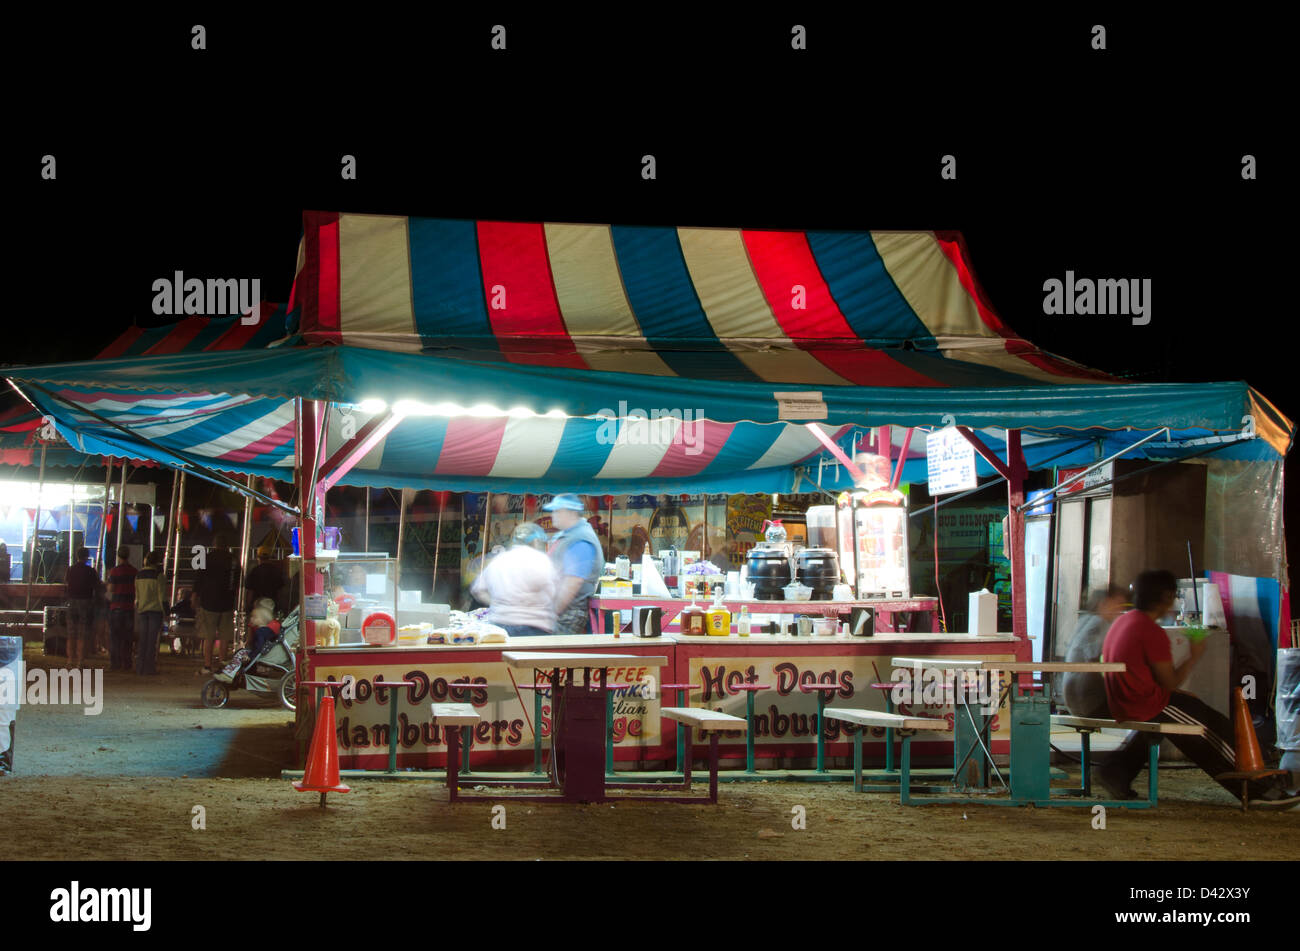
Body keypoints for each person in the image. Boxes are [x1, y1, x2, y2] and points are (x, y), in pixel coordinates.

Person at [1096, 569, 1299, 809]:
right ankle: (1256, 790)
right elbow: (1170, 682)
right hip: (1145, 703)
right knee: (1211, 730)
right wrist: (1194, 655)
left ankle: (1115, 772)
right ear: (1166, 596)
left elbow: (1146, 677)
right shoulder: (1150, 631)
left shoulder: (1124, 621)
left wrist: (1177, 695)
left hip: (1125, 700)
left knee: (1193, 713)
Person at [471, 522, 559, 637]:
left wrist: (499, 605)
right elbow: (554, 593)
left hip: (499, 627)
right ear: (536, 541)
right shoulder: (541, 560)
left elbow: (478, 590)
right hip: (534, 629)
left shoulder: (499, 560)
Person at [1060, 586, 1127, 717]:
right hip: (1089, 702)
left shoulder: (1085, 620)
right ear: (1104, 603)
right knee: (1144, 707)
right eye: (1118, 604)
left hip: (1073, 701)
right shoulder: (1100, 624)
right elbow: (1098, 656)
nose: (1121, 610)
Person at [543, 494, 605, 636]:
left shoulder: (580, 539)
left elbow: (572, 583)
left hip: (567, 614)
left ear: (571, 513)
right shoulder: (569, 535)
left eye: (557, 511)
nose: (553, 515)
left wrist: (551, 613)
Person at [195, 534, 236, 674]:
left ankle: (207, 665)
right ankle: (223, 664)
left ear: (214, 544)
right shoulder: (233, 560)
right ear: (226, 546)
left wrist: (195, 596)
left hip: (209, 602)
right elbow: (237, 581)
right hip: (227, 602)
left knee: (209, 636)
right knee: (224, 636)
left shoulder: (206, 558)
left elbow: (198, 579)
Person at [64, 547, 101, 668]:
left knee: (71, 633)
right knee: (82, 633)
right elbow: (97, 587)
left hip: (72, 601)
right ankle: (80, 661)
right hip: (85, 602)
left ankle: (70, 660)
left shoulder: (70, 570)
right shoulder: (91, 571)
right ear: (86, 557)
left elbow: (66, 584)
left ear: (76, 556)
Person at [107, 546, 138, 671]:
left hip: (116, 606)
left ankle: (115, 663)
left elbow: (111, 589)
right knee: (127, 637)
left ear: (118, 556)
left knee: (115, 637)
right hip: (129, 607)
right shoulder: (134, 571)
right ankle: (127, 663)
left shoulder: (114, 571)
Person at [133, 551, 165, 675]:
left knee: (142, 641)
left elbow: (137, 594)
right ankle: (149, 668)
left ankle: (139, 667)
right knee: (151, 641)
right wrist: (166, 611)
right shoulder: (158, 575)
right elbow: (161, 596)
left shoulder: (138, 575)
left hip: (142, 610)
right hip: (155, 610)